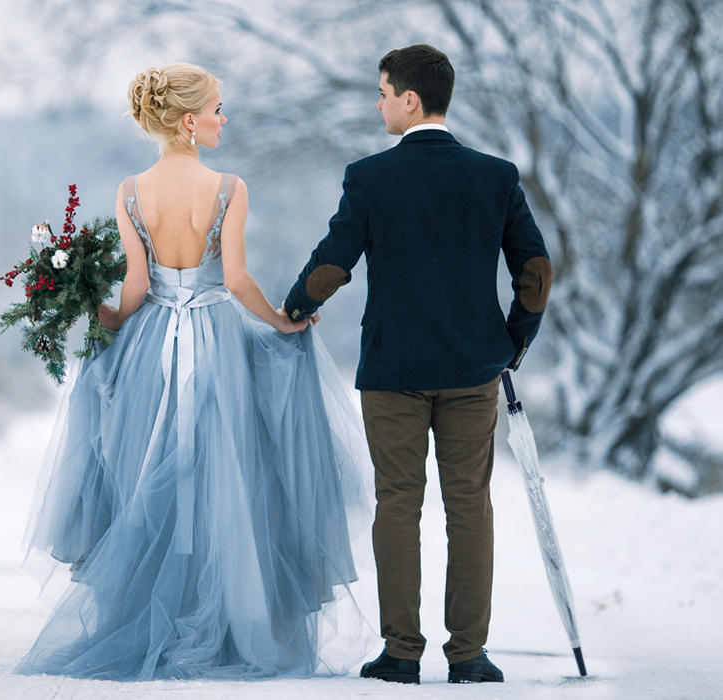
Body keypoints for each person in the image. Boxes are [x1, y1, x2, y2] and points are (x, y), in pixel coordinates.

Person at [17, 63, 374, 681]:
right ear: (188, 121)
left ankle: (157, 612)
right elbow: (234, 281)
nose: (222, 119)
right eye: (215, 109)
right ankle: (231, 623)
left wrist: (91, 310)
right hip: (215, 339)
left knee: (149, 471)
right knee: (230, 474)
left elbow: (133, 292)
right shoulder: (228, 187)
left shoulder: (131, 190)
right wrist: (282, 323)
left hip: (152, 343)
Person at [283, 44, 552, 685]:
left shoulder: (371, 177)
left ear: (410, 99)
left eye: (382, 92)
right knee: (470, 507)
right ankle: (469, 657)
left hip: (393, 371)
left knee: (397, 505)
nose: (377, 104)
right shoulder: (496, 176)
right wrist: (511, 344)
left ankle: (401, 653)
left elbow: (333, 263)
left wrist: (296, 305)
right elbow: (536, 272)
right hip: (472, 370)